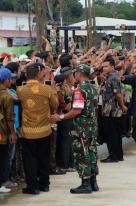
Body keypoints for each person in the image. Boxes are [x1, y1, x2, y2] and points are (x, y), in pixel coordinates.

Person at [52, 64, 99, 194]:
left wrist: (60, 117)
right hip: (92, 126)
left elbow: (76, 110)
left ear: (79, 74)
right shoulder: (93, 87)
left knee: (82, 154)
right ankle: (93, 182)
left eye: (75, 73)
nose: (74, 75)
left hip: (81, 128)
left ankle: (86, 184)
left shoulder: (80, 90)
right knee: (91, 152)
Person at [17, 63, 59, 194]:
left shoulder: (20, 90)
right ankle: (44, 184)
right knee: (44, 158)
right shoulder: (46, 89)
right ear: (38, 74)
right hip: (44, 129)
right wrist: (53, 91)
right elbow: (55, 104)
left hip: (28, 132)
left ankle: (32, 186)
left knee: (30, 160)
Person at [100, 57, 127, 163]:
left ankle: (113, 156)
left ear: (112, 66)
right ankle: (118, 155)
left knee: (112, 134)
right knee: (116, 134)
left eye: (106, 66)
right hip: (109, 110)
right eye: (103, 67)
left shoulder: (113, 78)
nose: (104, 68)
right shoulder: (110, 77)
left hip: (112, 111)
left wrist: (122, 106)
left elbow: (118, 95)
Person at [0, 68, 17, 193]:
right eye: (10, 78)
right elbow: (9, 117)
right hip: (3, 133)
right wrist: (12, 133)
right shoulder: (7, 95)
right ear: (5, 80)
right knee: (3, 158)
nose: (11, 80)